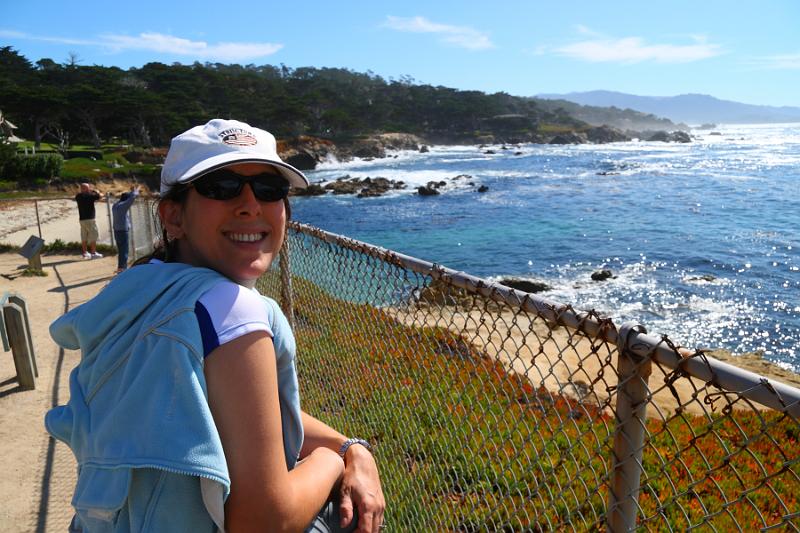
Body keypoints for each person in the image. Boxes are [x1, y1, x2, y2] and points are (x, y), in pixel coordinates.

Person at [45, 119, 385, 533]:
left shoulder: (135, 290)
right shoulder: (232, 309)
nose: (249, 205)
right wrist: (332, 461)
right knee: (347, 514)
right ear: (172, 217)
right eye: (221, 187)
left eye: (268, 189)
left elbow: (246, 413)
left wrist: (354, 449)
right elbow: (263, 522)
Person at [111, 185, 140, 273]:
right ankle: (123, 269)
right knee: (125, 250)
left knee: (121, 250)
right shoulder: (122, 207)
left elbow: (128, 200)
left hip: (116, 230)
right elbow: (131, 199)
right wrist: (135, 190)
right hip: (123, 231)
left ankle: (120, 267)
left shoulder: (115, 206)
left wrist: (131, 192)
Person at [74, 182, 103, 259]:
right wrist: (97, 191)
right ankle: (93, 253)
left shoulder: (78, 196)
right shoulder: (90, 196)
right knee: (93, 236)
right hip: (90, 219)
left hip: (82, 219)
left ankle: (85, 253)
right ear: (86, 188)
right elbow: (100, 196)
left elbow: (79, 195)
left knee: (84, 237)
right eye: (88, 187)